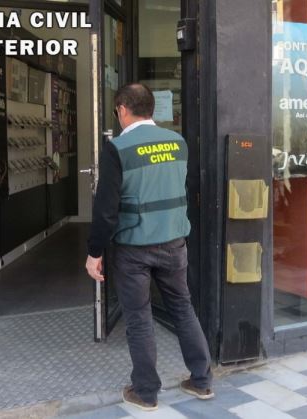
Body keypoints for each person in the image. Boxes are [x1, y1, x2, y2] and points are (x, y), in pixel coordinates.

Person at [85, 83, 213, 411]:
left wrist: (94, 252)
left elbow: (105, 209)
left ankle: (146, 392)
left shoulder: (118, 148)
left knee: (139, 317)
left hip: (134, 247)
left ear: (123, 110)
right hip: (174, 242)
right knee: (183, 308)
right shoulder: (178, 143)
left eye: (118, 112)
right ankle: (201, 381)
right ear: (151, 110)